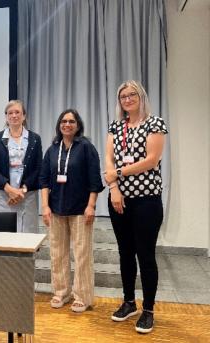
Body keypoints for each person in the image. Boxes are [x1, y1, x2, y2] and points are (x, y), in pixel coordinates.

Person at [104, 80, 168, 333]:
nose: (127, 99)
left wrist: (118, 172)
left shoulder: (155, 123)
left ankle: (148, 309)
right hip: (120, 200)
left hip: (147, 202)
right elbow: (107, 158)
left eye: (132, 95)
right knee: (125, 253)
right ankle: (129, 302)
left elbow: (151, 161)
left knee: (146, 255)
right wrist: (114, 189)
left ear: (141, 97)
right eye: (123, 96)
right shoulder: (116, 126)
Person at [40, 109, 104, 313]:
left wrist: (91, 205)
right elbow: (43, 180)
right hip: (56, 208)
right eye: (64, 121)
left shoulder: (86, 147)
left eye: (71, 121)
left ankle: (82, 296)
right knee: (57, 253)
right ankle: (61, 292)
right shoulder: (52, 149)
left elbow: (95, 180)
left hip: (80, 209)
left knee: (82, 254)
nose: (67, 124)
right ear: (59, 125)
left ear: (78, 125)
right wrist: (45, 206)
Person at [0, 100, 42, 233]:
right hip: (3, 195)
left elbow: (38, 168)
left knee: (27, 233)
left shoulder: (35, 138)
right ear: (6, 117)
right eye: (10, 113)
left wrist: (21, 192)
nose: (14, 115)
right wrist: (10, 190)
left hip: (27, 195)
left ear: (24, 116)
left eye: (17, 112)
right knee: (3, 233)